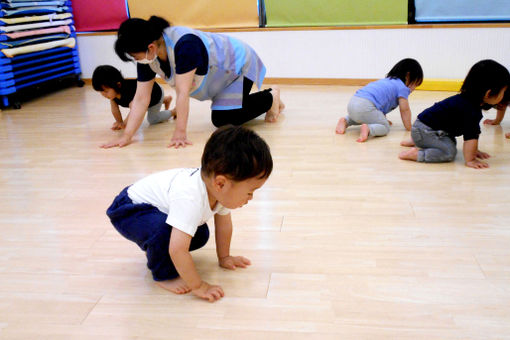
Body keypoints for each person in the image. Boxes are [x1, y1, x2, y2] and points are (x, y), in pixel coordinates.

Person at [106, 126, 273, 302]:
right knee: (165, 233)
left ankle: (162, 251)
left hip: (154, 208)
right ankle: (164, 276)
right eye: (250, 191)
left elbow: (224, 225)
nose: (251, 197)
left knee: (200, 234)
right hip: (129, 209)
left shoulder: (219, 191)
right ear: (221, 183)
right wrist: (198, 285)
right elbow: (177, 249)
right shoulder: (191, 197)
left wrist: (224, 257)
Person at [101, 16, 283, 149]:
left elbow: (182, 92)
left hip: (237, 64)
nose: (135, 60)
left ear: (150, 47)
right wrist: (127, 135)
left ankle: (270, 97)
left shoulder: (184, 45)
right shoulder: (149, 56)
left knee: (224, 120)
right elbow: (141, 98)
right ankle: (266, 98)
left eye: (134, 56)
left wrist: (180, 133)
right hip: (218, 76)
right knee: (223, 118)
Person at [399, 59, 509, 169]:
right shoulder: (470, 110)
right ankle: (417, 153)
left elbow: (471, 136)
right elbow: (470, 137)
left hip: (423, 127)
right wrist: (470, 159)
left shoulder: (466, 101)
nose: (504, 95)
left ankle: (419, 139)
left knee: (450, 141)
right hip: (426, 130)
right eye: (503, 92)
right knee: (449, 152)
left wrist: (474, 150)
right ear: (488, 93)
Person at [335, 58, 423, 142]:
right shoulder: (403, 88)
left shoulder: (387, 81)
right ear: (408, 76)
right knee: (385, 126)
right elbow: (405, 110)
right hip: (365, 106)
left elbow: (380, 103)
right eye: (415, 84)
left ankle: (346, 121)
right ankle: (369, 129)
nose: (414, 89)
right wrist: (409, 127)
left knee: (362, 115)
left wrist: (380, 118)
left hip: (353, 104)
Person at [92, 65, 175, 131]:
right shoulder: (113, 96)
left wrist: (124, 124)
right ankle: (166, 99)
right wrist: (119, 122)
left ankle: (174, 111)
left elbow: (134, 111)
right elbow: (115, 110)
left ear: (118, 85)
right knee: (144, 106)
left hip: (155, 94)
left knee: (152, 119)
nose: (103, 94)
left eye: (105, 91)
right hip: (147, 96)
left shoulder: (129, 91)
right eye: (101, 92)